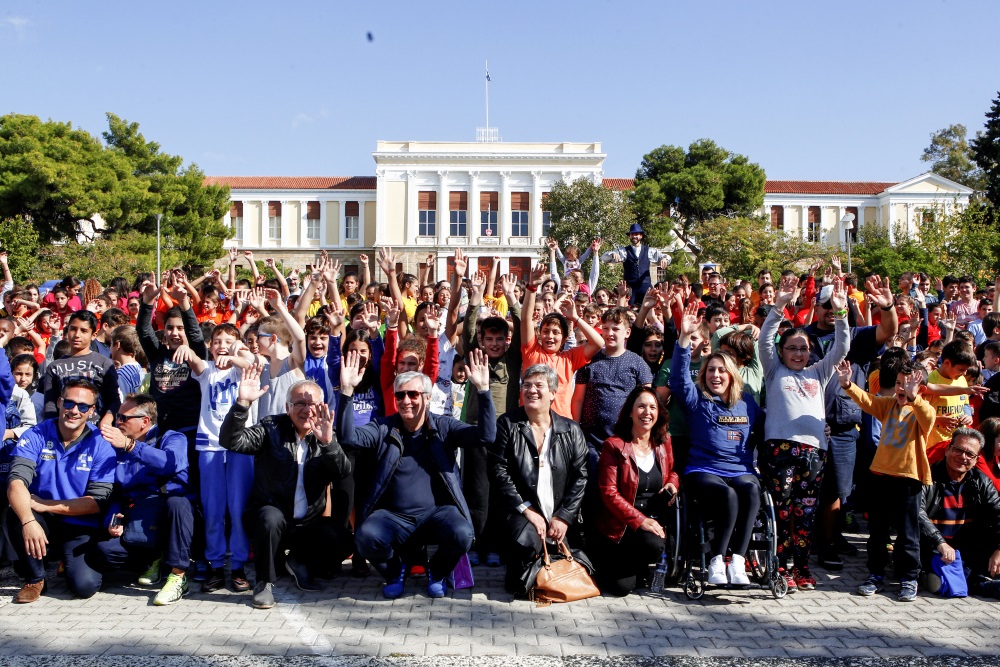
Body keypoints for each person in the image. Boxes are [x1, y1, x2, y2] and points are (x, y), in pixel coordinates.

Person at [336, 348, 495, 599]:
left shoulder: (443, 426)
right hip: (394, 517)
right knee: (365, 537)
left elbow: (486, 436)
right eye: (400, 395)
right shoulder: (383, 427)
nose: (406, 401)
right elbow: (347, 438)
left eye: (413, 394)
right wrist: (346, 393)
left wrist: (484, 392)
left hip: (437, 515)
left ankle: (438, 572)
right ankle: (395, 572)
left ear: (428, 397)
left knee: (463, 533)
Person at [219, 372, 354, 609]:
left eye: (311, 403)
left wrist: (327, 442)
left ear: (320, 407)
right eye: (299, 403)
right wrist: (242, 405)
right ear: (287, 407)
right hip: (271, 518)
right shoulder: (271, 427)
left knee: (344, 541)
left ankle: (298, 561)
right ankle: (264, 582)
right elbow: (232, 441)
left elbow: (342, 471)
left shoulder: (325, 432)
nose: (306, 410)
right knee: (270, 518)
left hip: (306, 523)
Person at [758, 275, 850, 592]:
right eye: (792, 348)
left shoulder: (818, 372)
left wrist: (840, 314)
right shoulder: (774, 371)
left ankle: (801, 567)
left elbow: (841, 348)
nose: (798, 353)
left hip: (814, 454)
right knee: (783, 512)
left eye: (803, 349)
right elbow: (764, 337)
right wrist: (780, 306)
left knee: (806, 513)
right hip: (780, 452)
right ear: (781, 351)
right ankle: (781, 568)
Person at [670, 303, 762, 587]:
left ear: (732, 374)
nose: (716, 375)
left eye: (722, 370)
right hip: (704, 469)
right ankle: (717, 560)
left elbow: (768, 426)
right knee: (729, 496)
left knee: (750, 489)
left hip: (740, 468)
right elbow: (677, 380)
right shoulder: (697, 400)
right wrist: (684, 339)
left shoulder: (748, 403)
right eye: (711, 370)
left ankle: (738, 561)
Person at [5, 380, 117, 602]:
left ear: (92, 411)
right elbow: (16, 482)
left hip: (79, 524)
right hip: (42, 520)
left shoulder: (101, 445)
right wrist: (28, 520)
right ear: (59, 402)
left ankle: (63, 562)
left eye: (83, 406)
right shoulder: (36, 434)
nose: (74, 410)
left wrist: (43, 504)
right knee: (15, 513)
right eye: (69, 403)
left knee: (84, 587)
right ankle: (35, 578)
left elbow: (96, 502)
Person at [838, 360, 934, 602]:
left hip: (909, 480)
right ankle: (876, 575)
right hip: (880, 476)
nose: (903, 388)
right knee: (877, 531)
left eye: (910, 384)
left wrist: (914, 398)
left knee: (908, 532)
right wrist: (848, 384)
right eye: (899, 383)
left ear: (921, 386)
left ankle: (909, 577)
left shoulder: (923, 409)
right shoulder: (888, 405)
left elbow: (927, 419)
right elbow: (867, 401)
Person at [489, 364, 588, 595]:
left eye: (539, 385)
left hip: (561, 513)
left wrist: (563, 517)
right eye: (527, 385)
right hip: (522, 512)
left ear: (553, 393)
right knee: (518, 585)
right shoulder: (508, 424)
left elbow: (580, 478)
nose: (531, 390)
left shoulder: (571, 431)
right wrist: (527, 510)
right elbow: (498, 471)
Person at [94, 394, 194, 606]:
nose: (118, 422)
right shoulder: (115, 447)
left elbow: (170, 464)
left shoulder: (172, 438)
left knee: (179, 503)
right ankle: (152, 559)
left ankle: (178, 576)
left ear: (145, 421)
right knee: (106, 551)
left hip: (171, 514)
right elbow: (117, 491)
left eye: (124, 418)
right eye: (117, 417)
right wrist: (114, 516)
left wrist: (131, 446)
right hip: (138, 514)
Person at [594, 386, 678, 596]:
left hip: (654, 520)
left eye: (652, 407)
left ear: (659, 413)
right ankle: (613, 561)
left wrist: (672, 484)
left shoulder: (663, 441)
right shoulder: (614, 446)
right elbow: (608, 492)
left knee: (654, 544)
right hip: (621, 525)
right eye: (640, 406)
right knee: (620, 588)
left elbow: (672, 471)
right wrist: (641, 521)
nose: (646, 412)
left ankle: (641, 565)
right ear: (630, 412)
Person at [919, 428, 1000, 598]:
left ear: (976, 459)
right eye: (958, 450)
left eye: (970, 454)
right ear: (948, 449)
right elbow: (916, 513)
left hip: (970, 547)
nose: (963, 457)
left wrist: (999, 549)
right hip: (933, 547)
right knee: (956, 585)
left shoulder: (981, 481)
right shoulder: (927, 476)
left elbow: (998, 512)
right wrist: (940, 543)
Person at [41, 310, 120, 425]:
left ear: (93, 335)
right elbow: (50, 405)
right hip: (64, 430)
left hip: (95, 430)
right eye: (73, 329)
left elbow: (114, 400)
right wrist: (53, 430)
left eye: (84, 331)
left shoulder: (104, 363)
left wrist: (106, 421)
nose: (77, 335)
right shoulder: (54, 366)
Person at [600, 223, 671, 305]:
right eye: (632, 234)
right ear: (629, 236)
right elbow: (603, 258)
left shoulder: (649, 251)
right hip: (630, 288)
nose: (634, 236)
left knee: (650, 307)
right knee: (629, 310)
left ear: (641, 236)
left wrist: (664, 258)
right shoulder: (623, 251)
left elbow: (666, 257)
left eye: (636, 234)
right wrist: (612, 254)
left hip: (645, 286)